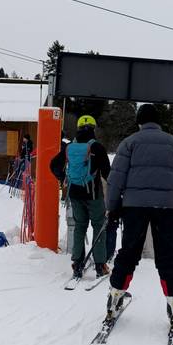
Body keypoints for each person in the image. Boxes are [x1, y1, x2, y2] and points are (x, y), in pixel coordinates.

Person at [104, 104, 173, 332]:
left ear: (139, 122)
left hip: (134, 206)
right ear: (159, 121)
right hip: (165, 207)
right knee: (166, 257)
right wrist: (168, 187)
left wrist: (112, 207)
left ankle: (114, 299)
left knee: (128, 254)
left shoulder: (129, 143)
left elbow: (116, 180)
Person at [50, 115, 111, 279]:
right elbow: (107, 173)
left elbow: (53, 165)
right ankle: (100, 265)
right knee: (98, 226)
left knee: (79, 227)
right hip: (93, 194)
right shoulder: (97, 147)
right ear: (93, 128)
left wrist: (63, 178)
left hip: (74, 194)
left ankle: (77, 263)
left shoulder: (69, 147)